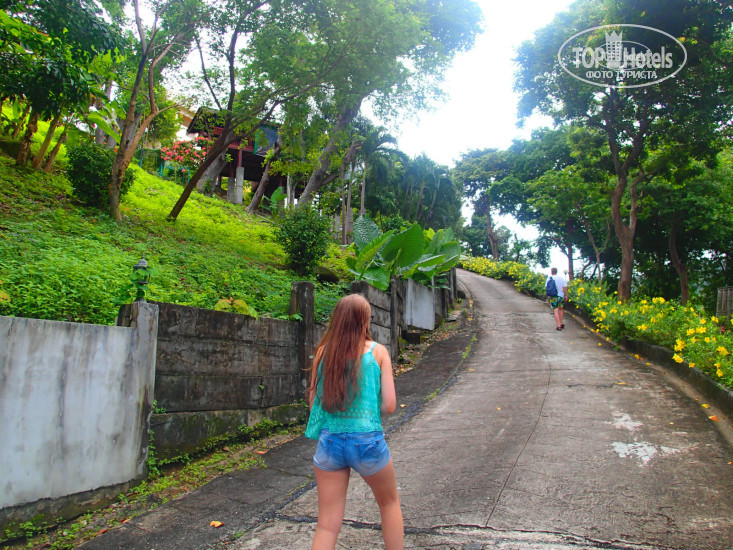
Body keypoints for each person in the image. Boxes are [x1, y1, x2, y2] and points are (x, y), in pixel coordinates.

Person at [305, 294, 403, 550]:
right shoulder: (378, 352)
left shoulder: (322, 353)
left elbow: (314, 404)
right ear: (364, 320)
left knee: (326, 525)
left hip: (330, 442)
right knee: (389, 503)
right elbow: (389, 405)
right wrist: (367, 407)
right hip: (367, 441)